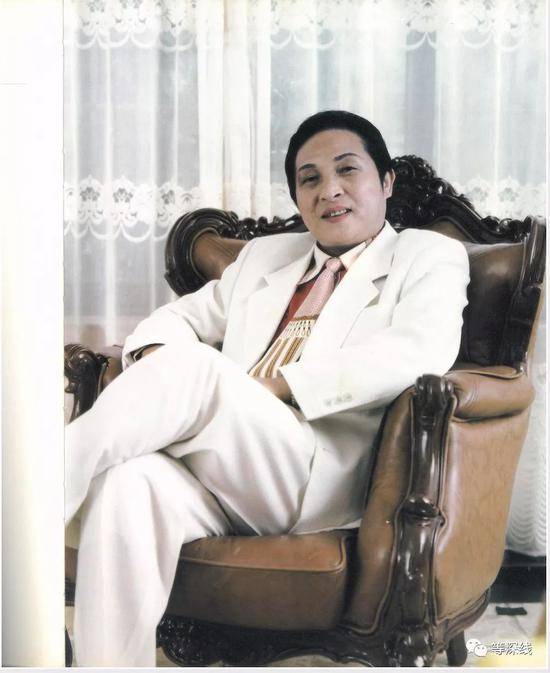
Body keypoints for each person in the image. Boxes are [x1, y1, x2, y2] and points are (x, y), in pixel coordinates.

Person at [65, 110, 470, 666]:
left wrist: (278, 386)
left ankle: (32, 500)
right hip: (226, 468)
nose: (329, 190)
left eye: (347, 170)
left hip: (317, 475)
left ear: (386, 181)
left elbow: (419, 350)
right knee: (127, 483)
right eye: (309, 179)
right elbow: (174, 320)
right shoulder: (266, 256)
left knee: (196, 370)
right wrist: (160, 360)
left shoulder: (427, 255)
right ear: (298, 196)